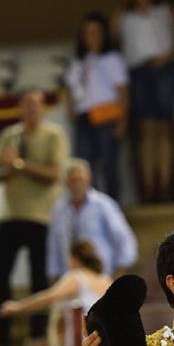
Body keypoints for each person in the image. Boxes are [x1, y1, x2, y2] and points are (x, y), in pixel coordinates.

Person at [0, 88, 70, 346]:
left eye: (36, 103)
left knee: (38, 278)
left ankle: (38, 334)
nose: (31, 108)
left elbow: (55, 174)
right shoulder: (9, 135)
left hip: (40, 216)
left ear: (43, 107)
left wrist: (19, 166)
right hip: (9, 215)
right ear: (20, 107)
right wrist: (6, 166)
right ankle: (3, 335)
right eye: (26, 103)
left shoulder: (53, 135)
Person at [114, 0, 174, 203]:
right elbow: (110, 38)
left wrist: (168, 54)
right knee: (146, 130)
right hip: (138, 71)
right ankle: (148, 189)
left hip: (164, 68)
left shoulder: (165, 10)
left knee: (165, 129)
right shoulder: (125, 16)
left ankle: (166, 186)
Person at [2, 240, 113, 346]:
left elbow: (48, 297)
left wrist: (18, 307)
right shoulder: (106, 280)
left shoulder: (76, 278)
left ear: (74, 258)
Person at [66, 12, 129, 203]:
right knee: (86, 165)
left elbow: (124, 93)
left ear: (103, 35)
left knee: (109, 166)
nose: (91, 37)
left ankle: (113, 207)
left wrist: (122, 122)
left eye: (95, 32)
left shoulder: (112, 59)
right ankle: (90, 207)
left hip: (106, 116)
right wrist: (71, 109)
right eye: (87, 33)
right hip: (84, 117)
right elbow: (70, 89)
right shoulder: (77, 62)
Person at [46, 159, 138, 281]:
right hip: (69, 275)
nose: (77, 185)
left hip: (101, 274)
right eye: (73, 181)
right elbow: (54, 244)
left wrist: (120, 269)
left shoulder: (104, 205)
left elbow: (123, 237)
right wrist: (53, 273)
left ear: (88, 179)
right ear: (66, 183)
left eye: (80, 180)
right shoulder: (59, 209)